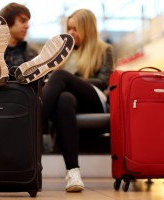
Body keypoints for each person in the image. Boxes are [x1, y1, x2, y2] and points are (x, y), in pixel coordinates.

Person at [41, 9, 115, 192]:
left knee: (59, 76)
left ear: (87, 29)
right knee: (64, 98)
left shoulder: (104, 49)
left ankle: (34, 124)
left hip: (95, 99)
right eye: (69, 28)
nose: (71, 32)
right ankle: (73, 172)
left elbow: (104, 80)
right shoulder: (63, 53)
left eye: (75, 28)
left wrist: (71, 81)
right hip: (70, 103)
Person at [0, 2, 74, 86]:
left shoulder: (30, 51)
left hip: (22, 95)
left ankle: (18, 73)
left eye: (28, 22)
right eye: (23, 21)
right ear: (7, 22)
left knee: (44, 81)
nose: (27, 26)